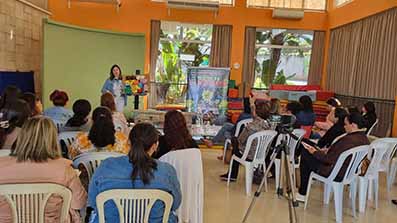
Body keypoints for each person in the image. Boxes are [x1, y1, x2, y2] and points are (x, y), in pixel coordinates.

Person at [87, 123, 181, 223]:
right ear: (155, 146)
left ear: (128, 142)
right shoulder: (167, 171)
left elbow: (93, 202)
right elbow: (175, 204)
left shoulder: (106, 166)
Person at [0, 116, 87, 223]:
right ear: (53, 139)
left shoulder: (1, 165)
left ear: (22, 136)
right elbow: (79, 203)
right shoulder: (64, 168)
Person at [296, 113, 370, 202]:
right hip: (348, 172)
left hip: (335, 172)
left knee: (305, 153)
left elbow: (329, 159)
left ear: (353, 125)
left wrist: (315, 152)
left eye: (346, 124)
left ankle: (302, 193)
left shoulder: (348, 140)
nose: (344, 126)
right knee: (310, 149)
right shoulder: (364, 139)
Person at [220, 98, 272, 181]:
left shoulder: (251, 126)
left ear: (256, 112)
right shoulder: (269, 127)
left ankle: (232, 174)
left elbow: (241, 141)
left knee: (235, 141)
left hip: (248, 155)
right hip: (262, 155)